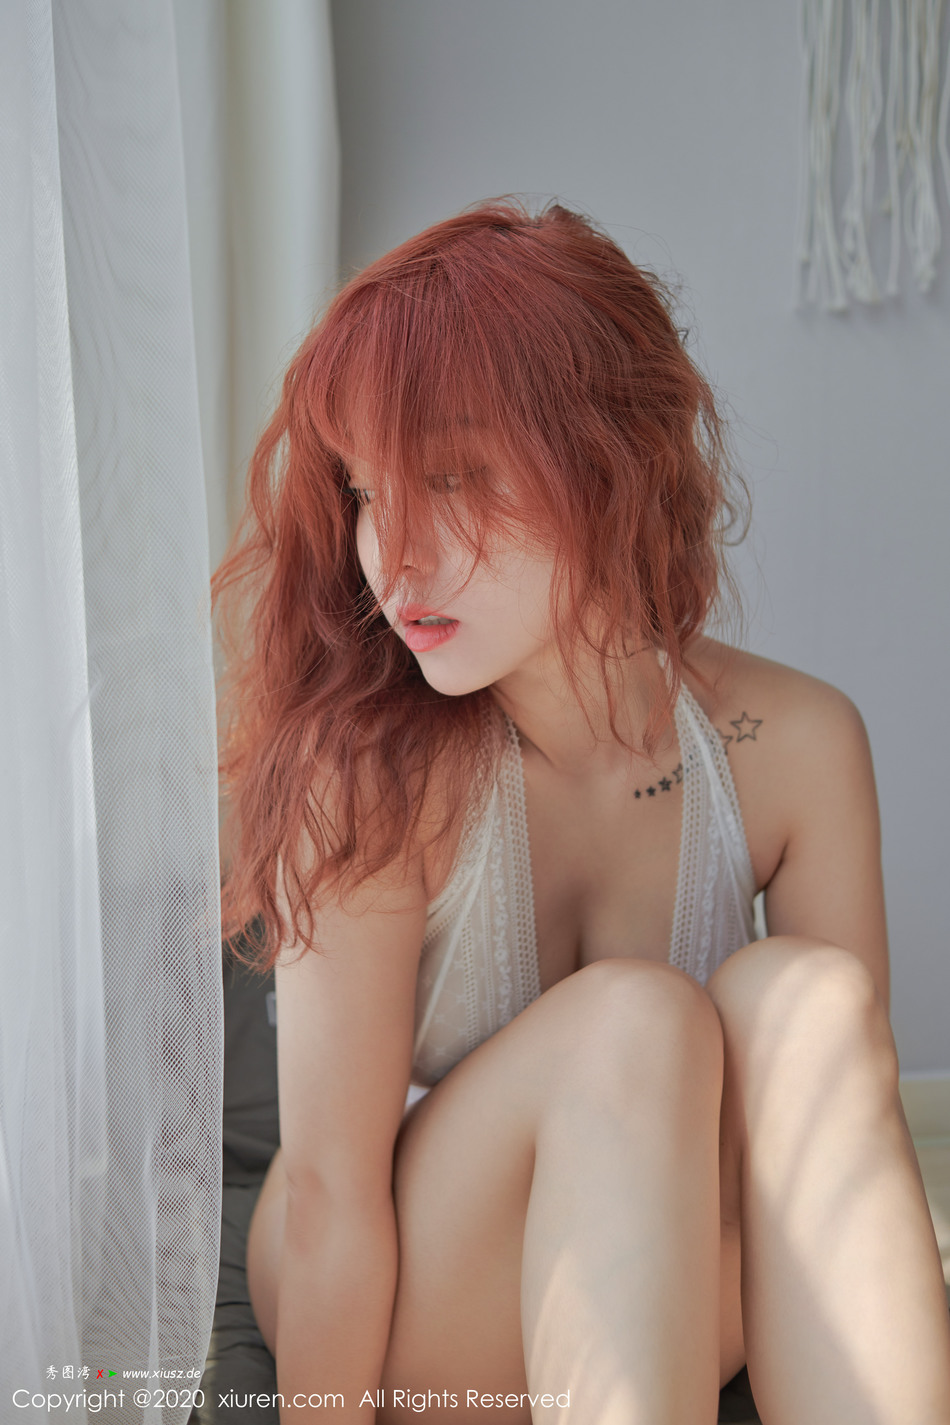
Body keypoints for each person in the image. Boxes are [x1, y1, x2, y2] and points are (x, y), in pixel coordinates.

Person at [212, 197, 950, 1425]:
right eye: (366, 492)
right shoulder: (373, 770)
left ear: (608, 462)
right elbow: (333, 1197)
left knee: (808, 1001)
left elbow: (827, 1151)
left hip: (661, 1267)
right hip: (407, 1307)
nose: (393, 558)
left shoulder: (795, 743)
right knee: (631, 1019)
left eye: (452, 477)